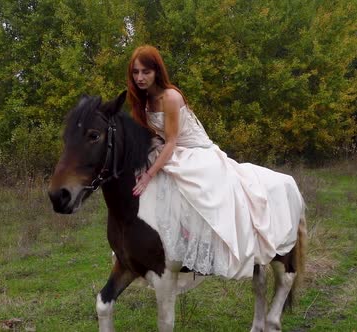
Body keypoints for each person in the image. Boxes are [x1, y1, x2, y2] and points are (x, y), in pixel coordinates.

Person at [126, 45, 304, 279]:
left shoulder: (170, 97)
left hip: (194, 150)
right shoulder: (144, 99)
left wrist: (149, 174)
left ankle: (206, 246)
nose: (140, 78)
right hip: (172, 149)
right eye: (136, 72)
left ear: (157, 71)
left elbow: (171, 142)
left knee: (198, 190)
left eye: (145, 72)